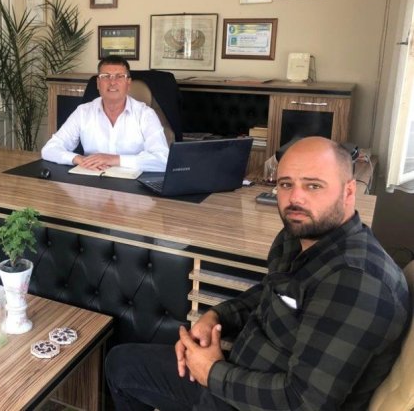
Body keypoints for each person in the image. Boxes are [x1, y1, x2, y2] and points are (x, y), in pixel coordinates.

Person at [106, 136, 411, 410]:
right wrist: (217, 316)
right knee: (121, 363)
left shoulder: (355, 281)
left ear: (348, 192)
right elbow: (271, 291)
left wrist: (211, 372)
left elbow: (303, 402)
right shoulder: (300, 237)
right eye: (286, 184)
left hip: (256, 398)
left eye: (313, 185)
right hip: (241, 376)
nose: (295, 198)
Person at [41, 55, 169, 172]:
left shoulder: (145, 115)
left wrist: (114, 159)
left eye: (120, 76)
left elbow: (163, 160)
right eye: (106, 76)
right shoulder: (83, 112)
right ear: (98, 83)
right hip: (92, 181)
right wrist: (79, 159)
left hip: (133, 184)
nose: (112, 82)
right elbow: (49, 149)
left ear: (128, 83)